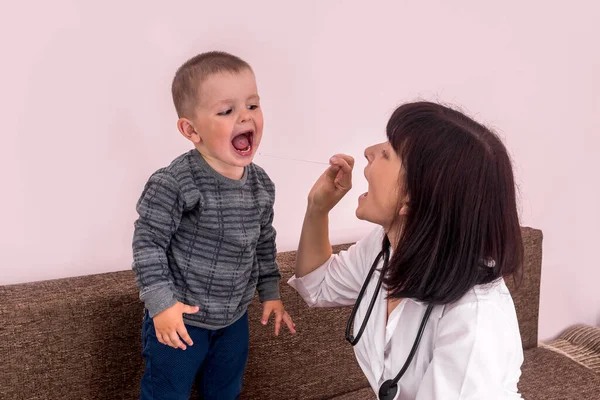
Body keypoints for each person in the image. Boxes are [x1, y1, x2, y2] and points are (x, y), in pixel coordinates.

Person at [289, 101, 524, 399]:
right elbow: (317, 286)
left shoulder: (474, 319)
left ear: (413, 198)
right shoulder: (387, 246)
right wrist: (317, 209)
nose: (368, 152)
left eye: (386, 154)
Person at [132, 51, 295, 400]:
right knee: (166, 393)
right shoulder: (176, 182)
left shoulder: (261, 185)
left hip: (233, 320)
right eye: (226, 111)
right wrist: (161, 304)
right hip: (181, 320)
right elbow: (148, 244)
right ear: (191, 129)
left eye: (252, 105)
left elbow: (263, 243)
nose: (245, 118)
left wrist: (271, 293)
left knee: (225, 392)